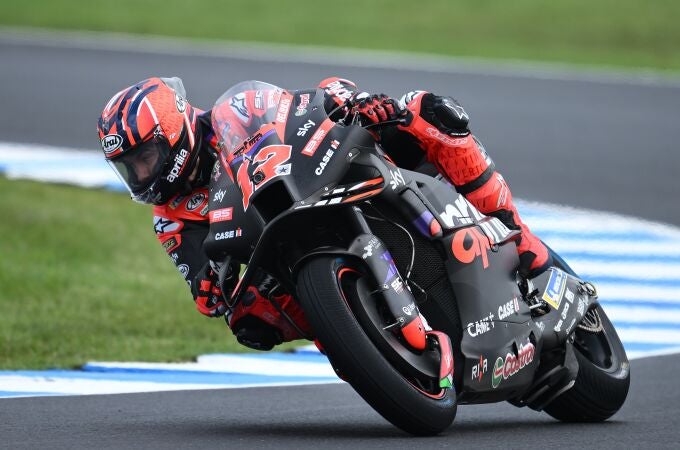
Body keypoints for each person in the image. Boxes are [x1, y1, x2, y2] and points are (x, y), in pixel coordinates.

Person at [97, 76, 551, 350]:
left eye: (144, 157)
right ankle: (370, 350)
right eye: (128, 167)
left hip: (323, 179)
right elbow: (202, 288)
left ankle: (518, 234)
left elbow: (304, 101)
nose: (140, 173)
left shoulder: (230, 114)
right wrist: (208, 284)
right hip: (278, 245)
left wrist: (349, 101)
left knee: (424, 110)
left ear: (173, 130)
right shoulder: (170, 216)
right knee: (249, 319)